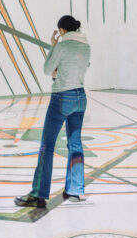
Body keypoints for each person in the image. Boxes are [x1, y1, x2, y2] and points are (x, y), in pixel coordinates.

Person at [15, 15, 91, 208]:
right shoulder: (86, 46)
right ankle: (74, 190)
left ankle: (38, 194)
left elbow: (48, 69)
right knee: (75, 143)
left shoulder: (62, 46)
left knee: (47, 145)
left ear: (62, 30)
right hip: (80, 97)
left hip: (62, 97)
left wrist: (53, 47)